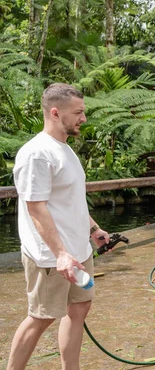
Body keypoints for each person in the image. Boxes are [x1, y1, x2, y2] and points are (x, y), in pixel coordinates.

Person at [7, 83, 110, 370]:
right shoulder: (37, 154)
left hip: (79, 250)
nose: (84, 118)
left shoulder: (65, 150)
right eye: (78, 112)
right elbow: (35, 208)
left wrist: (93, 230)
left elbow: (71, 200)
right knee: (41, 317)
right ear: (55, 113)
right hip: (51, 257)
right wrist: (61, 253)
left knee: (79, 309)